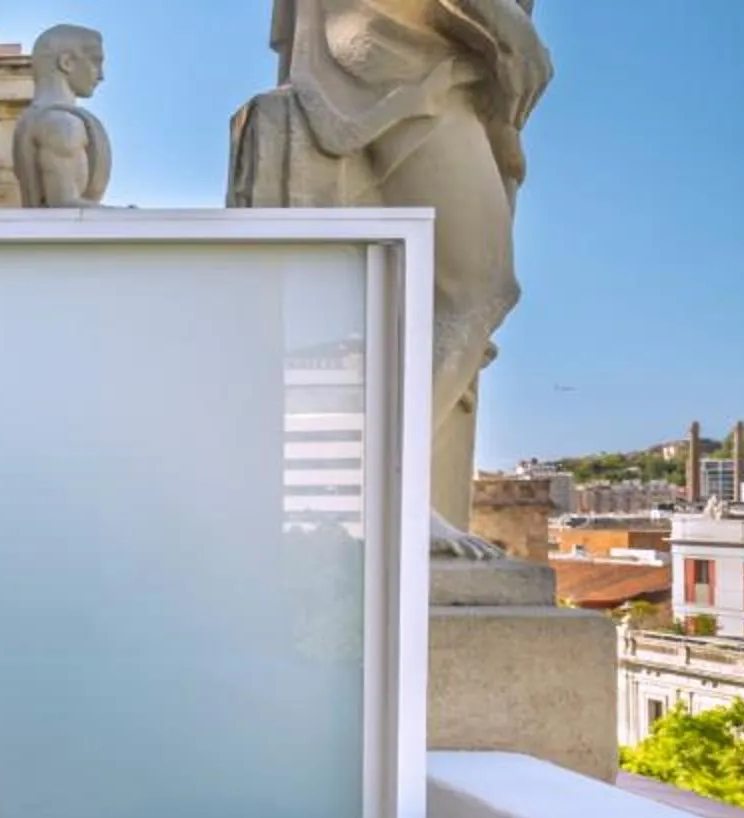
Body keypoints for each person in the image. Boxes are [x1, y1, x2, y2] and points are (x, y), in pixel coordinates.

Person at [234, 0, 553, 545]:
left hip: (417, 60)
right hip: (400, 56)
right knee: (477, 288)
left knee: (458, 293)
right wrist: (505, 24)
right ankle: (390, 493)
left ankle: (389, 490)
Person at [12, 25, 113, 210]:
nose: (101, 75)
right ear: (67, 62)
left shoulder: (40, 119)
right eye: (95, 62)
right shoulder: (61, 124)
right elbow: (64, 205)